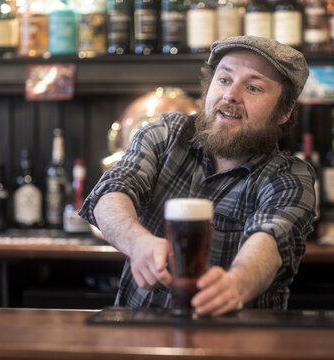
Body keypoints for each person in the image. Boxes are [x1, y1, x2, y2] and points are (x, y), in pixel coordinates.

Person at [79, 35, 316, 316]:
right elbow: (112, 192)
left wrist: (236, 284)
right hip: (140, 339)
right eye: (224, 80)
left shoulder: (289, 176)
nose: (230, 95)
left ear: (283, 112)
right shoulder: (166, 135)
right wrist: (137, 241)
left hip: (237, 346)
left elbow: (271, 240)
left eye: (252, 87)